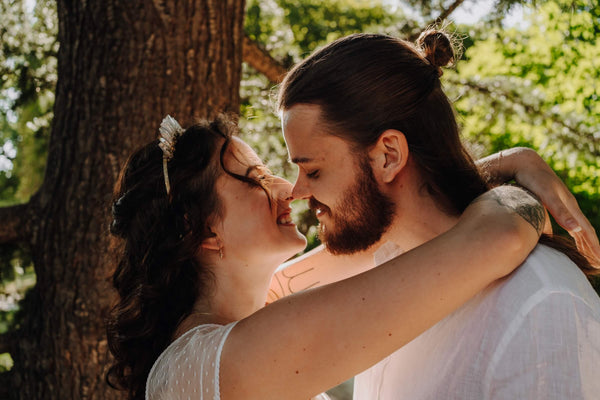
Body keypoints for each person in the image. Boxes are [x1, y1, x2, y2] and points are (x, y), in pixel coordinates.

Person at [106, 114, 545, 400]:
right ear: (199, 229)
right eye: (255, 180)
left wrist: (503, 163)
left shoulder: (231, 332)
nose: (286, 188)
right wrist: (516, 184)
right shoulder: (230, 357)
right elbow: (499, 236)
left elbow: (407, 223)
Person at [275, 29, 600, 399]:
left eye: (313, 170)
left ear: (389, 156)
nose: (297, 192)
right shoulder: (386, 273)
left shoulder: (539, 303)